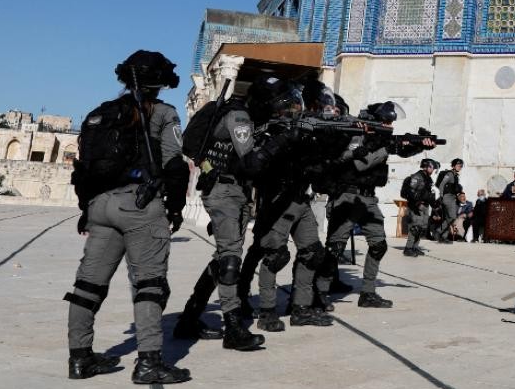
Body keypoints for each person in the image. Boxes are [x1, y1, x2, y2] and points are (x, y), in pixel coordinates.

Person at [65, 50, 192, 384]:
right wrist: (175, 207)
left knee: (88, 285)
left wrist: (85, 210)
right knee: (150, 283)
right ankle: (149, 363)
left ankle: (79, 358)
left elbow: (84, 168)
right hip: (139, 203)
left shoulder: (101, 113)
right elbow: (174, 163)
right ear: (160, 82)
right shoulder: (164, 113)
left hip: (100, 205)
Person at [172, 92, 266, 351]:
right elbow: (249, 159)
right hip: (225, 192)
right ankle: (233, 328)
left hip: (235, 192)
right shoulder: (238, 116)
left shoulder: (235, 116)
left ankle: (189, 318)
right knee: (230, 260)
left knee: (223, 258)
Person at [241, 78, 334, 331]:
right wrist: (286, 139)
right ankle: (267, 311)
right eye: (286, 106)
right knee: (275, 256)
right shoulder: (265, 131)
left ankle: (300, 308)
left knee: (313, 252)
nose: (292, 109)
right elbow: (257, 166)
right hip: (276, 199)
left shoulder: (299, 128)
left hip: (300, 198)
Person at [324, 100, 428, 308]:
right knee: (335, 246)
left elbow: (401, 149)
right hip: (348, 196)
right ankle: (319, 292)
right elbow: (359, 163)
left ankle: (368, 293)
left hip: (368, 199)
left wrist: (419, 145)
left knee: (379, 244)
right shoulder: (357, 132)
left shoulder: (381, 138)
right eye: (387, 121)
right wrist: (385, 148)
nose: (390, 126)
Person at [402, 158, 439, 256]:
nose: (433, 170)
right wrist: (416, 202)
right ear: (426, 166)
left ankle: (415, 247)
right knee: (415, 227)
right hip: (416, 206)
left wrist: (434, 205)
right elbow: (410, 191)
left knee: (422, 228)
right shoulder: (417, 177)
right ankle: (408, 248)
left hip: (425, 206)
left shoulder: (428, 178)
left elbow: (428, 193)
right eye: (432, 168)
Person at [435, 158, 465, 242]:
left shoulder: (455, 175)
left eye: (461, 166)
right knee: (452, 217)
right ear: (454, 165)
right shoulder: (450, 174)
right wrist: (441, 196)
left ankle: (443, 237)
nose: (460, 167)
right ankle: (438, 231)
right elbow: (441, 185)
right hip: (447, 197)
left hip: (452, 197)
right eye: (459, 165)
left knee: (448, 217)